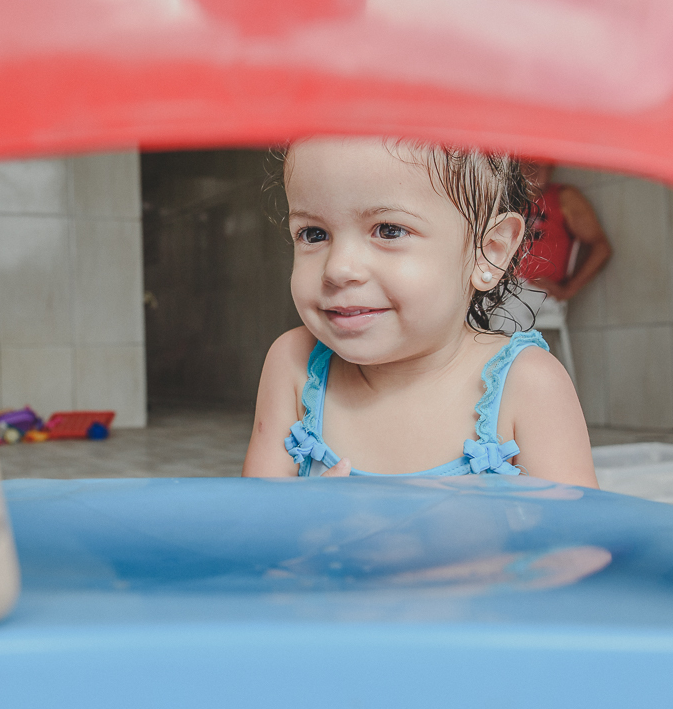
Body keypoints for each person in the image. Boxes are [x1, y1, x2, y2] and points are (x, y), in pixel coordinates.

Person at [242, 138, 597, 486]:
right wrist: (305, 523)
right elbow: (252, 530)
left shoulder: (529, 384)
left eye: (389, 230)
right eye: (314, 233)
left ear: (490, 249)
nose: (338, 269)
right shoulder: (293, 366)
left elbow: (581, 542)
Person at [496, 161, 611, 334]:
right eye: (529, 164)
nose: (536, 170)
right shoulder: (508, 202)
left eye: (542, 164)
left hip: (537, 291)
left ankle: (505, 361)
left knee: (507, 308)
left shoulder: (563, 196)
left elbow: (601, 248)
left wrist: (567, 290)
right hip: (500, 285)